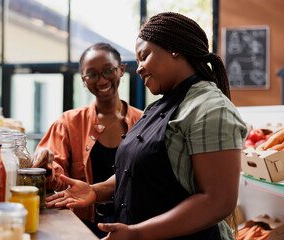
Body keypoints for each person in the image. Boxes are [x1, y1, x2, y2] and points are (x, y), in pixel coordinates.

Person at [46, 12, 248, 240]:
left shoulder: (210, 109)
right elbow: (136, 172)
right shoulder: (159, 107)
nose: (139, 67)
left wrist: (137, 233)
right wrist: (95, 190)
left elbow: (218, 201)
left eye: (144, 56)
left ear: (174, 49)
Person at [31, 42, 143, 237]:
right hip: (82, 223)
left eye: (108, 70)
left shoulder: (144, 121)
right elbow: (54, 177)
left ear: (121, 70)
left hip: (134, 223)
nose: (101, 81)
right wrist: (46, 166)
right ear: (83, 80)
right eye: (92, 74)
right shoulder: (68, 123)